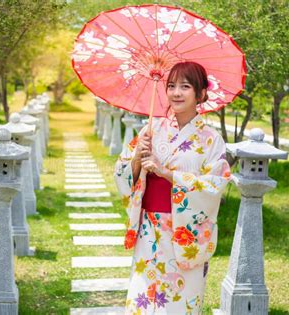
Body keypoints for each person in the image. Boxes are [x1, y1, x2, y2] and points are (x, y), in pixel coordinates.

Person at [114, 61, 231, 314]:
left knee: (179, 301)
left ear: (200, 94)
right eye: (171, 86)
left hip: (184, 232)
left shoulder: (211, 140)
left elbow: (215, 185)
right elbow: (123, 175)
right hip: (149, 227)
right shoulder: (152, 129)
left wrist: (168, 174)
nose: (176, 92)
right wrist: (137, 159)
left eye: (185, 86)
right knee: (143, 299)